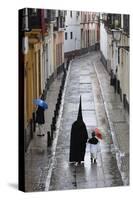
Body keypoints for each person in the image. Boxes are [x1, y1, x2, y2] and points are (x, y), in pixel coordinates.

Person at [69, 96, 88, 165]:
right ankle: (80, 160)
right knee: (80, 152)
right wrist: (85, 139)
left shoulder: (74, 124)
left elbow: (72, 135)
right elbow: (85, 135)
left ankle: (75, 159)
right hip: (81, 144)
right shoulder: (83, 125)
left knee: (76, 151)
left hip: (75, 143)